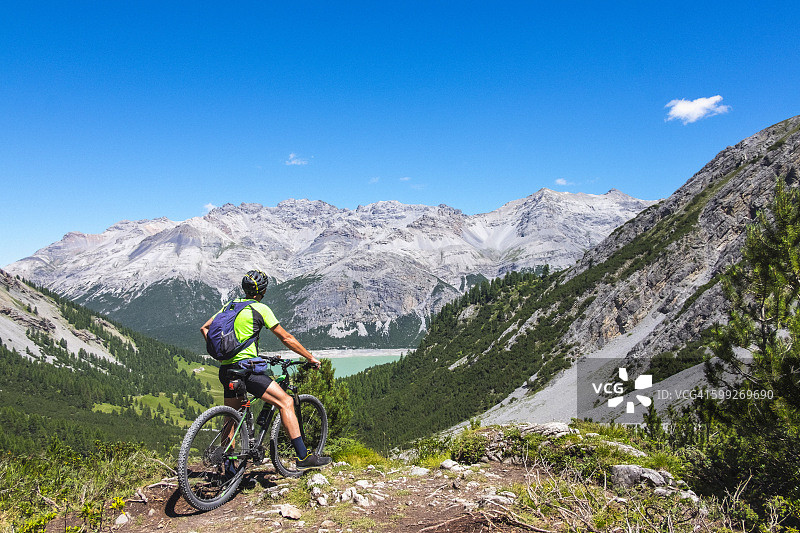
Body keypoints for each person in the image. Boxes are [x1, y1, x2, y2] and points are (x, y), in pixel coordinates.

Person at [201, 269, 332, 469]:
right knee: (286, 402)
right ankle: (303, 457)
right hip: (247, 371)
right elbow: (286, 338)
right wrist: (310, 357)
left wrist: (221, 355)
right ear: (262, 291)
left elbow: (205, 328)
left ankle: (228, 467)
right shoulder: (260, 308)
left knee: (231, 417)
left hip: (227, 370)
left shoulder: (230, 305)